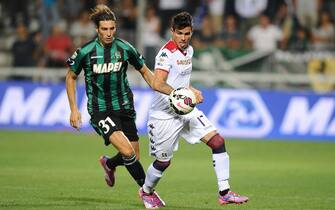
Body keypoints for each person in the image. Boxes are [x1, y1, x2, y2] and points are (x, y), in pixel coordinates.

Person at [138, 12, 249, 209]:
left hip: (185, 110)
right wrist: (182, 95)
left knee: (218, 141)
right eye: (179, 33)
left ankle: (225, 193)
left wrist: (190, 90)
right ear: (172, 31)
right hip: (164, 116)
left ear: (192, 32)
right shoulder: (166, 54)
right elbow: (157, 84)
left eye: (187, 33)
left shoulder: (189, 50)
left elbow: (181, 81)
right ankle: (146, 192)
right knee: (163, 162)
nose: (183, 38)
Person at [65, 4, 157, 195]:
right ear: (97, 29)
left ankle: (108, 163)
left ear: (115, 28)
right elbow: (71, 76)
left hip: (124, 106)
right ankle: (148, 194)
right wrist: (74, 109)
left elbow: (145, 71)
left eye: (112, 29)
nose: (108, 33)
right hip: (101, 110)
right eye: (104, 29)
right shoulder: (85, 51)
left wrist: (161, 89)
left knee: (133, 155)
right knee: (128, 152)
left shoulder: (124, 48)